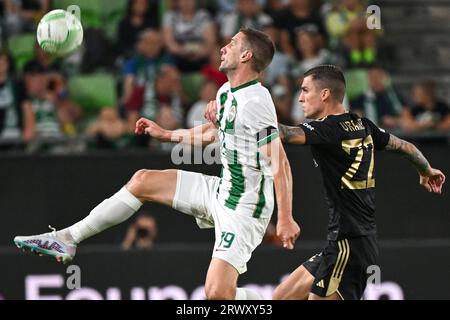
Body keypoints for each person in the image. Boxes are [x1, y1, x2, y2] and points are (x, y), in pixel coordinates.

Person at [14, 28, 300, 300]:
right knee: (143, 180)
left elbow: (280, 161)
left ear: (247, 56)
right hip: (222, 191)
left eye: (233, 43)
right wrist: (166, 135)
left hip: (245, 209)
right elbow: (213, 133)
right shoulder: (227, 92)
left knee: (218, 294)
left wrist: (285, 217)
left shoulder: (256, 101)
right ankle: (68, 238)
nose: (224, 47)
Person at [207, 64, 446, 300]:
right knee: (281, 297)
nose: (300, 98)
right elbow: (406, 146)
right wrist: (426, 170)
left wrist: (236, 113)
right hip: (343, 244)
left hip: (349, 245)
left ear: (324, 94)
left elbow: (282, 132)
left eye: (305, 90)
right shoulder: (363, 125)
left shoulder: (327, 129)